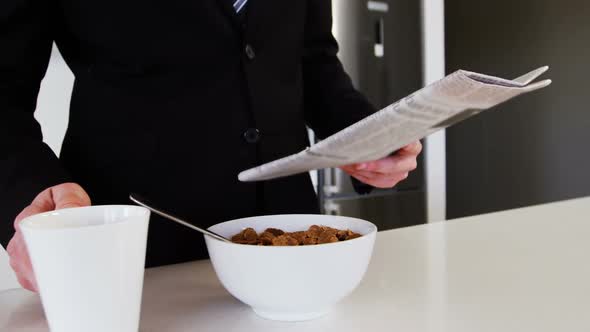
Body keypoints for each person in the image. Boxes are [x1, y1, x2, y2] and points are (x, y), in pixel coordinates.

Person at [1, 0, 422, 292]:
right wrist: (28, 198)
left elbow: (310, 58)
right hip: (136, 255)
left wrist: (365, 134)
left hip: (291, 247)